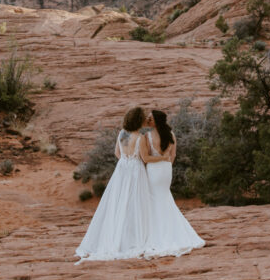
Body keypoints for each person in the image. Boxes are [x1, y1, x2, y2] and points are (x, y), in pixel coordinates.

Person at [75, 106, 152, 261]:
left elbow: (117, 153)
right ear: (139, 121)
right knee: (135, 202)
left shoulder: (121, 134)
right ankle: (133, 238)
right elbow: (144, 158)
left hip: (122, 169)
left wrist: (126, 160)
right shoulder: (140, 137)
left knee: (118, 202)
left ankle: (116, 236)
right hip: (136, 170)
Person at [140, 109, 205, 258]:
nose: (148, 120)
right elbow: (173, 155)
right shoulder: (171, 135)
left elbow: (146, 158)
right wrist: (166, 165)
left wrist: (154, 166)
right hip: (166, 170)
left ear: (156, 120)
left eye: (150, 118)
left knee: (154, 200)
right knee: (165, 198)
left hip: (154, 169)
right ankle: (174, 231)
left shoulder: (147, 136)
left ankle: (156, 233)